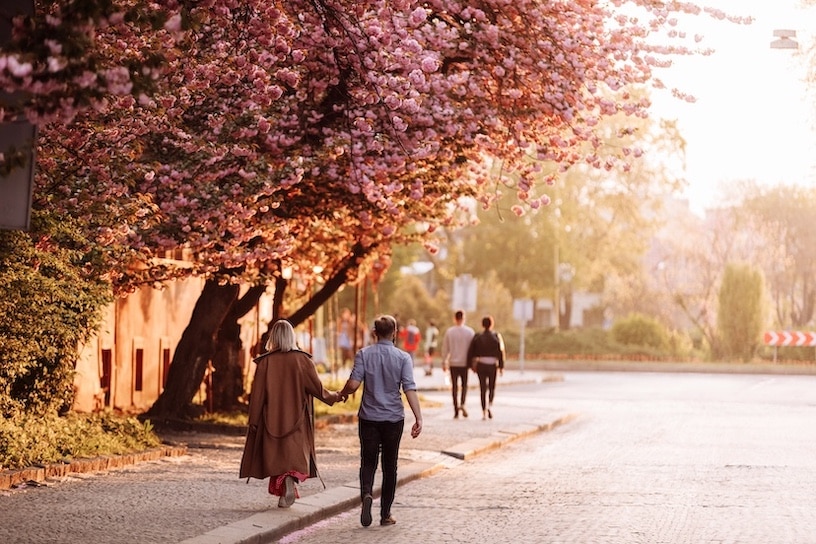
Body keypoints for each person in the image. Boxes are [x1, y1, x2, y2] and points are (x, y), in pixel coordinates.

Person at [239, 319, 340, 508]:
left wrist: (253, 420)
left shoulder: (265, 362)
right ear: (292, 336)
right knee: (293, 456)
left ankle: (285, 488)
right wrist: (335, 396)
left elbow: (257, 396)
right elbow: (319, 390)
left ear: (273, 337)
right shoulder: (303, 360)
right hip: (297, 420)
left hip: (271, 419)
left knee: (277, 456)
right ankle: (289, 485)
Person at [338, 315, 423, 528]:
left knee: (368, 461)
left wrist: (342, 393)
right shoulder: (403, 358)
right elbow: (409, 388)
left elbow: (354, 382)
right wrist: (418, 417)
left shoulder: (364, 354)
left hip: (369, 418)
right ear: (394, 333)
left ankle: (367, 493)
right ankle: (385, 514)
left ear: (375, 332)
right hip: (393, 419)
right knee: (390, 465)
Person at [467, 315, 506, 420]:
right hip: (492, 365)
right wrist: (501, 366)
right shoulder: (497, 336)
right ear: (491, 324)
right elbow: (501, 352)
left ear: (482, 324)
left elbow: (471, 352)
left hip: (481, 364)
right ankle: (490, 404)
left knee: (483, 388)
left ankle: (484, 410)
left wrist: (471, 365)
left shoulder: (478, 336)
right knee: (492, 387)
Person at [440, 310, 475, 418]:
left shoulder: (450, 332)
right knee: (464, 386)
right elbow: (473, 350)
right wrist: (473, 363)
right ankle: (462, 403)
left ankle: (456, 409)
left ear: (455, 318)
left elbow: (445, 348)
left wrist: (444, 362)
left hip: (453, 363)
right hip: (465, 364)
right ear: (464, 318)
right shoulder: (470, 332)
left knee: (454, 387)